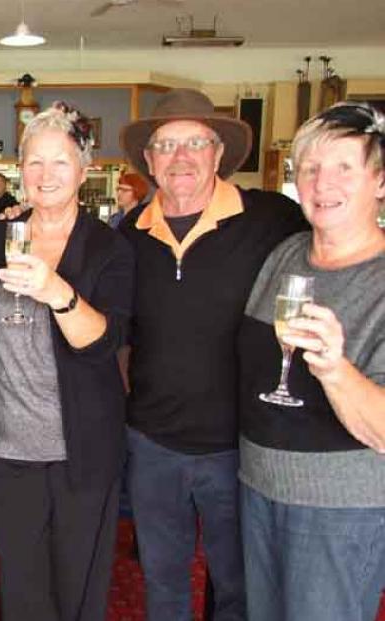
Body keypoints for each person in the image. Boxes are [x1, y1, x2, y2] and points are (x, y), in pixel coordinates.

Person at [116, 88, 308, 620]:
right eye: (167, 145)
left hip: (239, 446)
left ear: (218, 153)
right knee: (163, 582)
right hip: (152, 443)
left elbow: (338, 255)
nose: (181, 157)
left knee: (237, 587)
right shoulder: (128, 234)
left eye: (195, 142)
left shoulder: (273, 218)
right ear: (149, 160)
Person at [0, 102, 134, 620]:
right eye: (34, 162)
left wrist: (56, 290)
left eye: (60, 162)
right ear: (19, 170)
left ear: (83, 172)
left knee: (78, 588)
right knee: (20, 587)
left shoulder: (110, 247)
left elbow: (102, 343)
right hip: (6, 447)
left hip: (80, 447)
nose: (46, 175)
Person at [237, 101, 385, 621]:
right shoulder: (287, 255)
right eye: (311, 169)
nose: (323, 183)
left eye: (344, 167)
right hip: (258, 488)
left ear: (381, 182)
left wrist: (332, 367)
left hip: (339, 509)